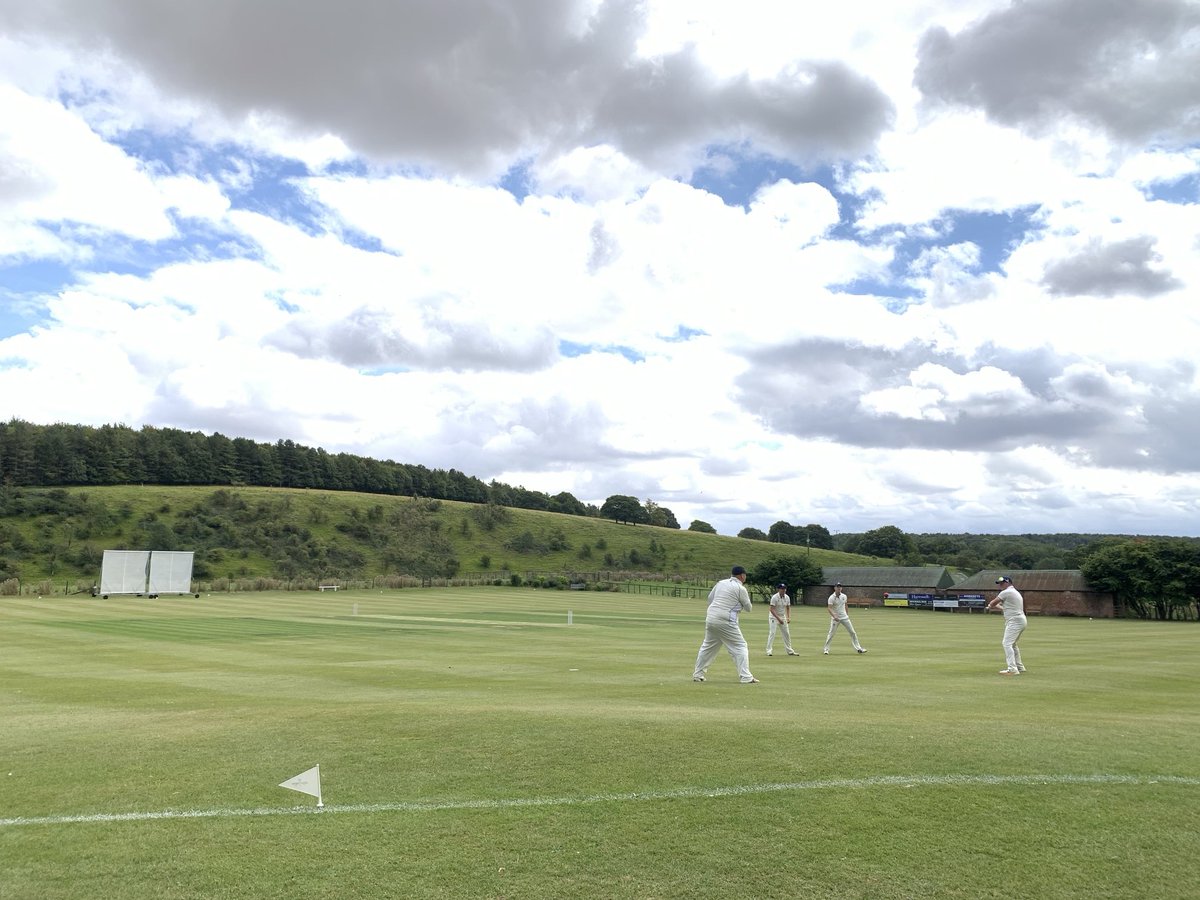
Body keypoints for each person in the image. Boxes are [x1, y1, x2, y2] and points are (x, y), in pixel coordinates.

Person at [693, 565, 759, 683]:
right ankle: (746, 677)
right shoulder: (740, 588)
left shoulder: (720, 583)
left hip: (711, 618)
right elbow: (749, 608)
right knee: (740, 646)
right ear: (742, 576)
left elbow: (710, 599)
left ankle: (698, 674)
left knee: (707, 647)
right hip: (726, 620)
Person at [987, 575, 1027, 675]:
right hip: (1020, 620)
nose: (1000, 585)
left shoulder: (1006, 592)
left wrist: (990, 605)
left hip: (1015, 621)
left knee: (1007, 643)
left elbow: (993, 602)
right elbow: (1006, 608)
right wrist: (996, 606)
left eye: (1002, 583)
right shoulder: (1014, 592)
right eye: (999, 583)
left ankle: (1012, 669)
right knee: (1013, 644)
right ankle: (1019, 667)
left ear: (1008, 582)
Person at [823, 582, 866, 655]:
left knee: (852, 632)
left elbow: (846, 605)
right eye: (837, 587)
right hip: (835, 619)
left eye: (840, 587)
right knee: (831, 633)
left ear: (841, 588)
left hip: (845, 617)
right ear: (835, 588)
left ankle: (859, 648)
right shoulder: (831, 597)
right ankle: (826, 649)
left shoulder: (844, 596)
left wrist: (846, 614)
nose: (839, 588)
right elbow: (829, 608)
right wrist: (834, 616)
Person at [766, 583, 798, 656]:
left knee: (786, 633)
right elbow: (771, 609)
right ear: (779, 589)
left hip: (782, 616)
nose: (783, 590)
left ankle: (789, 651)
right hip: (773, 617)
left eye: (784, 589)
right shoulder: (774, 597)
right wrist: (778, 619)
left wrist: (788, 617)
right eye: (782, 589)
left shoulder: (787, 597)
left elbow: (788, 607)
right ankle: (769, 651)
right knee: (772, 633)